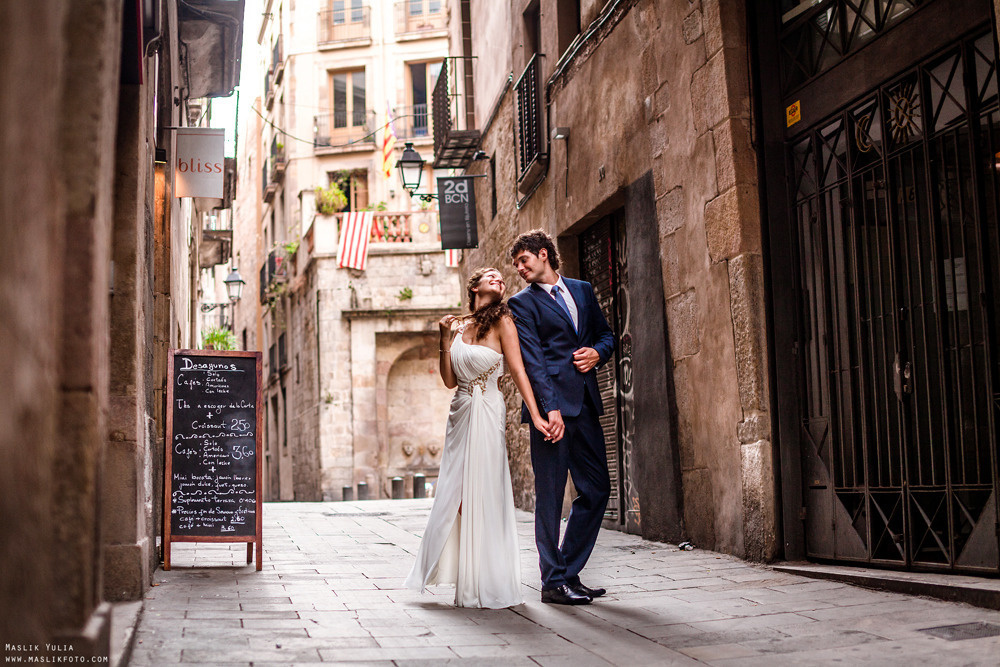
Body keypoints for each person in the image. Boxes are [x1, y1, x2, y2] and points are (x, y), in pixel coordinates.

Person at [405, 267, 552, 608]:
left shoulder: (504, 321)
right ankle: (458, 567)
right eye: (492, 275)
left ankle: (486, 577)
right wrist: (443, 338)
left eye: (503, 277)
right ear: (474, 286)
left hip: (487, 409)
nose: (500, 279)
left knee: (483, 489)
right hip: (459, 413)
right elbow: (450, 381)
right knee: (454, 492)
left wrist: (536, 412)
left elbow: (517, 370)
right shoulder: (458, 327)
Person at [507, 230, 615, 605]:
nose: (520, 269)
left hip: (585, 405)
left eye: (524, 260)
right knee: (551, 496)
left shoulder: (583, 290)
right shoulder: (521, 304)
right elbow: (533, 361)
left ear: (543, 254)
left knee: (598, 488)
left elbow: (606, 335)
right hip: (552, 413)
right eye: (516, 264)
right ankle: (552, 581)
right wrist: (549, 409)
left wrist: (598, 353)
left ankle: (567, 571)